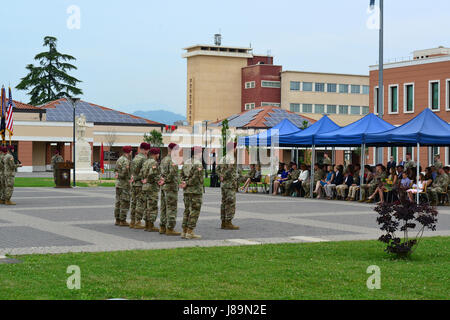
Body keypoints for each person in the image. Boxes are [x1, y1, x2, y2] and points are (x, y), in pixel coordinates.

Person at [180, 146, 204, 239]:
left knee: (187, 211)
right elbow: (196, 178)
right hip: (195, 191)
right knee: (194, 211)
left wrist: (184, 182)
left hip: (187, 191)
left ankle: (184, 231)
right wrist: (188, 183)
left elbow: (181, 174)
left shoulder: (187, 162)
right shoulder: (198, 164)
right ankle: (190, 232)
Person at [159, 143, 181, 235]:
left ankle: (162, 227)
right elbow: (172, 174)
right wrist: (166, 180)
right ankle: (170, 228)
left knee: (164, 208)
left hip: (164, 187)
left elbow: (160, 172)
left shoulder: (164, 159)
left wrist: (162, 180)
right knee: (171, 208)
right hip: (170, 187)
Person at [218, 142, 239, 230]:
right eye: (235, 148)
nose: (236, 150)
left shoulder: (223, 158)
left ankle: (223, 222)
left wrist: (220, 176)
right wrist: (224, 176)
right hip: (230, 185)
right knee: (230, 203)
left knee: (224, 203)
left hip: (223, 185)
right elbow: (230, 171)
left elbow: (217, 169)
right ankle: (228, 222)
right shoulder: (231, 159)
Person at [141, 147, 163, 232]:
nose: (158, 155)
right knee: (152, 206)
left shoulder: (145, 162)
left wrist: (144, 179)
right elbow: (152, 174)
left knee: (146, 206)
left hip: (145, 186)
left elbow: (141, 173)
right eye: (158, 154)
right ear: (155, 154)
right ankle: (151, 225)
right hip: (152, 187)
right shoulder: (154, 163)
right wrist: (159, 180)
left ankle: (146, 225)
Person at [129, 142, 150, 229]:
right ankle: (138, 221)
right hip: (140, 183)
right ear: (146, 150)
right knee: (140, 203)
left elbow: (131, 170)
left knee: (133, 202)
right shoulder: (144, 159)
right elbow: (144, 172)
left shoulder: (135, 157)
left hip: (134, 183)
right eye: (147, 150)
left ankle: (132, 221)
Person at [113, 146, 132, 226]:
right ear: (129, 152)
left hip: (118, 184)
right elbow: (124, 173)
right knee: (125, 202)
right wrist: (129, 177)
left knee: (118, 202)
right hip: (124, 184)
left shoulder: (119, 159)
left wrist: (118, 175)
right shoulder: (126, 161)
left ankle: (117, 219)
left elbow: (115, 171)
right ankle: (122, 220)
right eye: (131, 151)